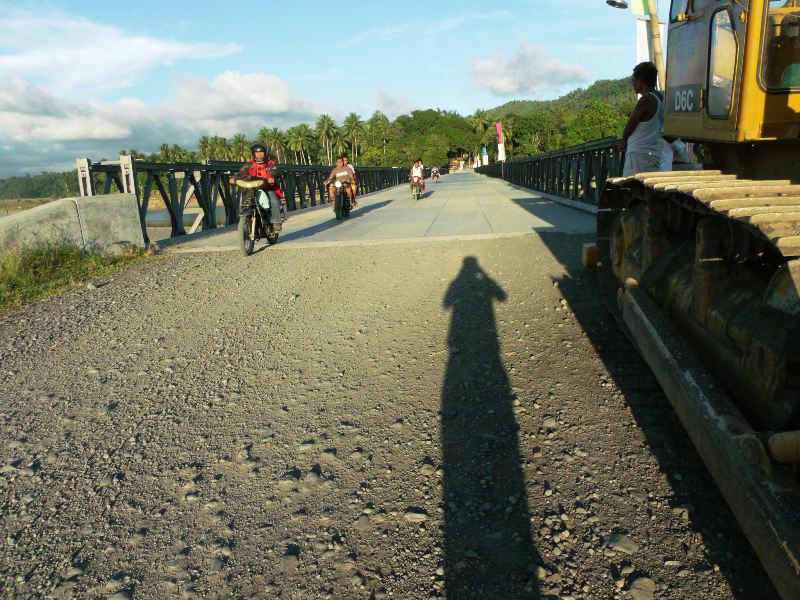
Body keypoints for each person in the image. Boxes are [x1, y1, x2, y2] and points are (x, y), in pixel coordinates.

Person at [621, 61, 663, 176]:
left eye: (633, 80)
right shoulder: (659, 97)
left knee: (631, 190)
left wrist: (624, 139)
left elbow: (629, 127)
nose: (632, 83)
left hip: (639, 156)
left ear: (640, 81)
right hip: (651, 155)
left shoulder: (646, 100)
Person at [230, 142, 283, 233]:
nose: (259, 154)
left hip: (267, 187)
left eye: (261, 152)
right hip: (253, 187)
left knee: (274, 201)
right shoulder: (249, 164)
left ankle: (276, 222)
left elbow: (274, 171)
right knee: (247, 199)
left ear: (265, 153)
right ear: (253, 154)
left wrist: (272, 177)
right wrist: (234, 178)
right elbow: (241, 172)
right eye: (256, 152)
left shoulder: (270, 164)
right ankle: (248, 216)